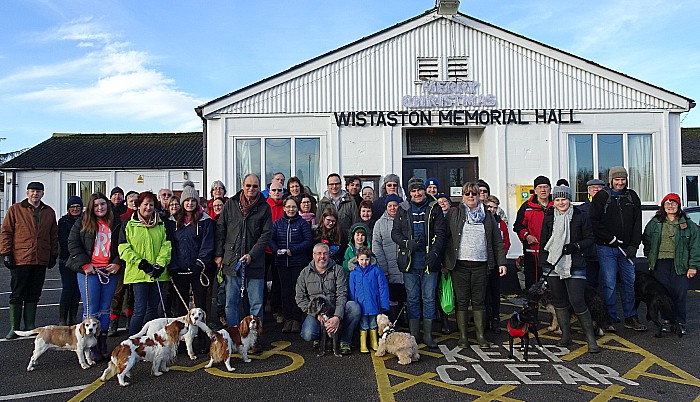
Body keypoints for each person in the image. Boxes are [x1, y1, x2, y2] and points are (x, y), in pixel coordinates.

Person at [444, 182, 507, 348]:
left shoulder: (488, 215)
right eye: (467, 194)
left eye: (474, 194)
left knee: (479, 301)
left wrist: (502, 262)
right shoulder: (455, 213)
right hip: (460, 265)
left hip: (481, 265)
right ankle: (463, 337)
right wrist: (445, 262)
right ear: (463, 196)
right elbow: (446, 238)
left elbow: (496, 241)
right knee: (462, 301)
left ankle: (480, 336)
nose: (471, 197)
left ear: (479, 196)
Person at [538, 185, 600, 353]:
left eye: (563, 199)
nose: (560, 202)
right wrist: (543, 262)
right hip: (552, 263)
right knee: (559, 301)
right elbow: (544, 240)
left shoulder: (580, 216)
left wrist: (575, 246)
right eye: (557, 199)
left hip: (575, 263)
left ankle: (591, 339)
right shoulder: (549, 216)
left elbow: (589, 239)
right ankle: (566, 336)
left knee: (577, 300)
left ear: (569, 199)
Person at [215, 173, 272, 344]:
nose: (251, 189)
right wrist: (219, 254)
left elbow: (266, 234)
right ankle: (233, 339)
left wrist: (252, 254)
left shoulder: (264, 207)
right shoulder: (231, 204)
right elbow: (221, 230)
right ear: (242, 185)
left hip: (255, 263)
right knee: (230, 303)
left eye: (255, 186)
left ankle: (254, 340)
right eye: (248, 185)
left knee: (256, 304)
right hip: (232, 262)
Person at [391, 176, 447, 348]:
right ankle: (415, 334)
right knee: (413, 298)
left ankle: (428, 335)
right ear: (409, 192)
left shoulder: (434, 207)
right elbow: (396, 233)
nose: (417, 193)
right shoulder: (402, 208)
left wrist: (435, 252)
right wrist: (408, 244)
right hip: (409, 261)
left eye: (419, 190)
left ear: (424, 190)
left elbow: (441, 232)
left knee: (429, 298)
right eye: (413, 191)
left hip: (429, 261)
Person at [589, 166, 646, 331]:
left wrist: (634, 245)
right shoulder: (602, 197)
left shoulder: (632, 196)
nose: (620, 182)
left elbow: (637, 223)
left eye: (623, 179)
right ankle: (610, 318)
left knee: (629, 282)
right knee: (609, 283)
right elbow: (594, 221)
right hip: (606, 248)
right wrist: (610, 239)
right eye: (617, 179)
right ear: (611, 180)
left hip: (627, 249)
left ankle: (631, 317)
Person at [68, 192, 123, 361]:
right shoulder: (82, 222)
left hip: (109, 270)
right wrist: (85, 264)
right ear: (92, 207)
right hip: (89, 271)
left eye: (103, 204)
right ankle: (87, 346)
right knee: (91, 310)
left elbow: (124, 244)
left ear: (108, 205)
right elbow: (73, 243)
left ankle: (101, 344)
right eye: (97, 205)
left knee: (105, 309)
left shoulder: (116, 223)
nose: (100, 208)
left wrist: (117, 262)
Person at [1, 182, 58, 339]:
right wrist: (6, 253)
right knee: (18, 293)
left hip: (40, 259)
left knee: (34, 293)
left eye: (38, 191)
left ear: (43, 193)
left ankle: (30, 325)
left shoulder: (49, 212)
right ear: (27, 193)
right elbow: (6, 232)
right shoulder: (16, 209)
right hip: (21, 259)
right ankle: (15, 328)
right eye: (33, 191)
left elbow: (53, 234)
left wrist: (53, 254)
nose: (35, 194)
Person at [642, 193, 699, 335]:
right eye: (667, 203)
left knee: (679, 293)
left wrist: (693, 266)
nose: (670, 206)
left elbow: (695, 246)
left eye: (673, 203)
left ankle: (680, 322)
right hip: (660, 263)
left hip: (680, 264)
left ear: (679, 206)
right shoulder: (655, 223)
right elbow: (647, 240)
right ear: (663, 206)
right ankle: (667, 321)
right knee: (663, 294)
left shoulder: (688, 224)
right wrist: (650, 257)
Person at [118, 191, 172, 335]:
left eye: (151, 205)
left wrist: (160, 264)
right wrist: (142, 263)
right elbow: (124, 248)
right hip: (138, 273)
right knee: (140, 309)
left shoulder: (161, 223)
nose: (148, 208)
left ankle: (149, 341)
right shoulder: (128, 224)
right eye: (145, 204)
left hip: (157, 273)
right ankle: (132, 342)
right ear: (138, 206)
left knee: (153, 309)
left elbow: (166, 245)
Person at [295, 243, 361, 355]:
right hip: (317, 314)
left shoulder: (338, 270)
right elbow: (300, 298)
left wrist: (337, 316)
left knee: (354, 308)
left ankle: (345, 341)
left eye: (325, 254)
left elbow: (342, 294)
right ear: (313, 255)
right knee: (308, 333)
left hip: (335, 309)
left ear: (329, 255)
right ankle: (320, 338)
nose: (322, 257)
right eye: (319, 254)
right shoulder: (305, 273)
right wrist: (315, 314)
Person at [169, 182, 214, 317]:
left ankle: (202, 334)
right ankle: (183, 335)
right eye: (187, 200)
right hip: (180, 270)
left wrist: (200, 263)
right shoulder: (173, 221)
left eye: (193, 200)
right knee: (181, 305)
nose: (190, 203)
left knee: (200, 304)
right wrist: (174, 264)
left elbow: (207, 243)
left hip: (198, 269)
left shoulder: (205, 221)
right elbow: (171, 244)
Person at [270, 197, 313, 333]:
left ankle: (297, 319)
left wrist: (292, 251)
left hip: (297, 263)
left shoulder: (302, 223)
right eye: (288, 207)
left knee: (297, 292)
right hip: (282, 263)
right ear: (284, 208)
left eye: (293, 207)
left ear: (297, 208)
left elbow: (308, 241)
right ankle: (288, 318)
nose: (291, 209)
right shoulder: (277, 224)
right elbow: (271, 239)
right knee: (285, 292)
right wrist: (275, 249)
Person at [513, 175, 553, 291]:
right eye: (540, 187)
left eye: (546, 187)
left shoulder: (556, 206)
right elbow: (518, 226)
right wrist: (527, 236)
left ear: (550, 189)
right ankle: (532, 308)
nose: (543, 190)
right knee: (532, 287)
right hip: (532, 253)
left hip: (553, 253)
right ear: (535, 190)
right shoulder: (526, 207)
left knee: (553, 286)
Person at [348, 247, 389, 353]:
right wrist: (354, 304)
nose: (364, 262)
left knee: (373, 324)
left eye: (366, 259)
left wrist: (383, 304)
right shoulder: (353, 273)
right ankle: (363, 344)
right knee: (363, 324)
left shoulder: (376, 271)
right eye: (361, 259)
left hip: (374, 304)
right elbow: (352, 290)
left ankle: (374, 342)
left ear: (370, 259)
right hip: (360, 304)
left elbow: (382, 288)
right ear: (357, 259)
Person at [372, 194, 405, 324]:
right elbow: (376, 246)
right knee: (392, 297)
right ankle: (393, 323)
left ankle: (405, 322)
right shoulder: (379, 224)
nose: (393, 208)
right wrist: (383, 267)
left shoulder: (405, 220)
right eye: (390, 205)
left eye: (395, 205)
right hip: (388, 267)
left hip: (405, 265)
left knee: (406, 296)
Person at [485, 195, 510, 333]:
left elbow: (505, 242)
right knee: (483, 293)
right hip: (483, 262)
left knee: (495, 293)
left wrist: (501, 258)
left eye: (495, 208)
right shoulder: (479, 220)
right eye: (490, 207)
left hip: (496, 263)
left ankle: (495, 318)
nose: (492, 210)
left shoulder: (501, 223)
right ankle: (484, 320)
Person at [57, 196, 83, 326]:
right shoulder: (63, 222)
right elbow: (63, 242)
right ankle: (62, 318)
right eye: (72, 207)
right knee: (68, 288)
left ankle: (73, 317)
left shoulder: (85, 221)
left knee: (77, 290)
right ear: (68, 208)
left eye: (78, 207)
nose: (75, 209)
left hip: (80, 262)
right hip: (66, 260)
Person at [576, 178, 606, 289]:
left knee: (606, 284)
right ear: (588, 190)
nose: (596, 189)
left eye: (599, 188)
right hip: (588, 252)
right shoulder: (580, 210)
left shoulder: (610, 207)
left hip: (606, 250)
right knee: (589, 284)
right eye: (594, 188)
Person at [317, 173, 358, 247]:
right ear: (328, 186)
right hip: (328, 243)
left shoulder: (351, 201)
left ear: (341, 184)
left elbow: (355, 222)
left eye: (337, 184)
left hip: (347, 242)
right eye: (331, 184)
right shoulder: (322, 203)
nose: (334, 186)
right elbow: (319, 224)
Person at [265, 181, 285, 324]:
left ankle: (276, 309)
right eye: (274, 190)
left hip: (280, 249)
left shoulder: (286, 206)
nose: (277, 192)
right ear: (269, 191)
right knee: (262, 280)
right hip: (265, 249)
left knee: (278, 280)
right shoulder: (265, 206)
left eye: (279, 190)